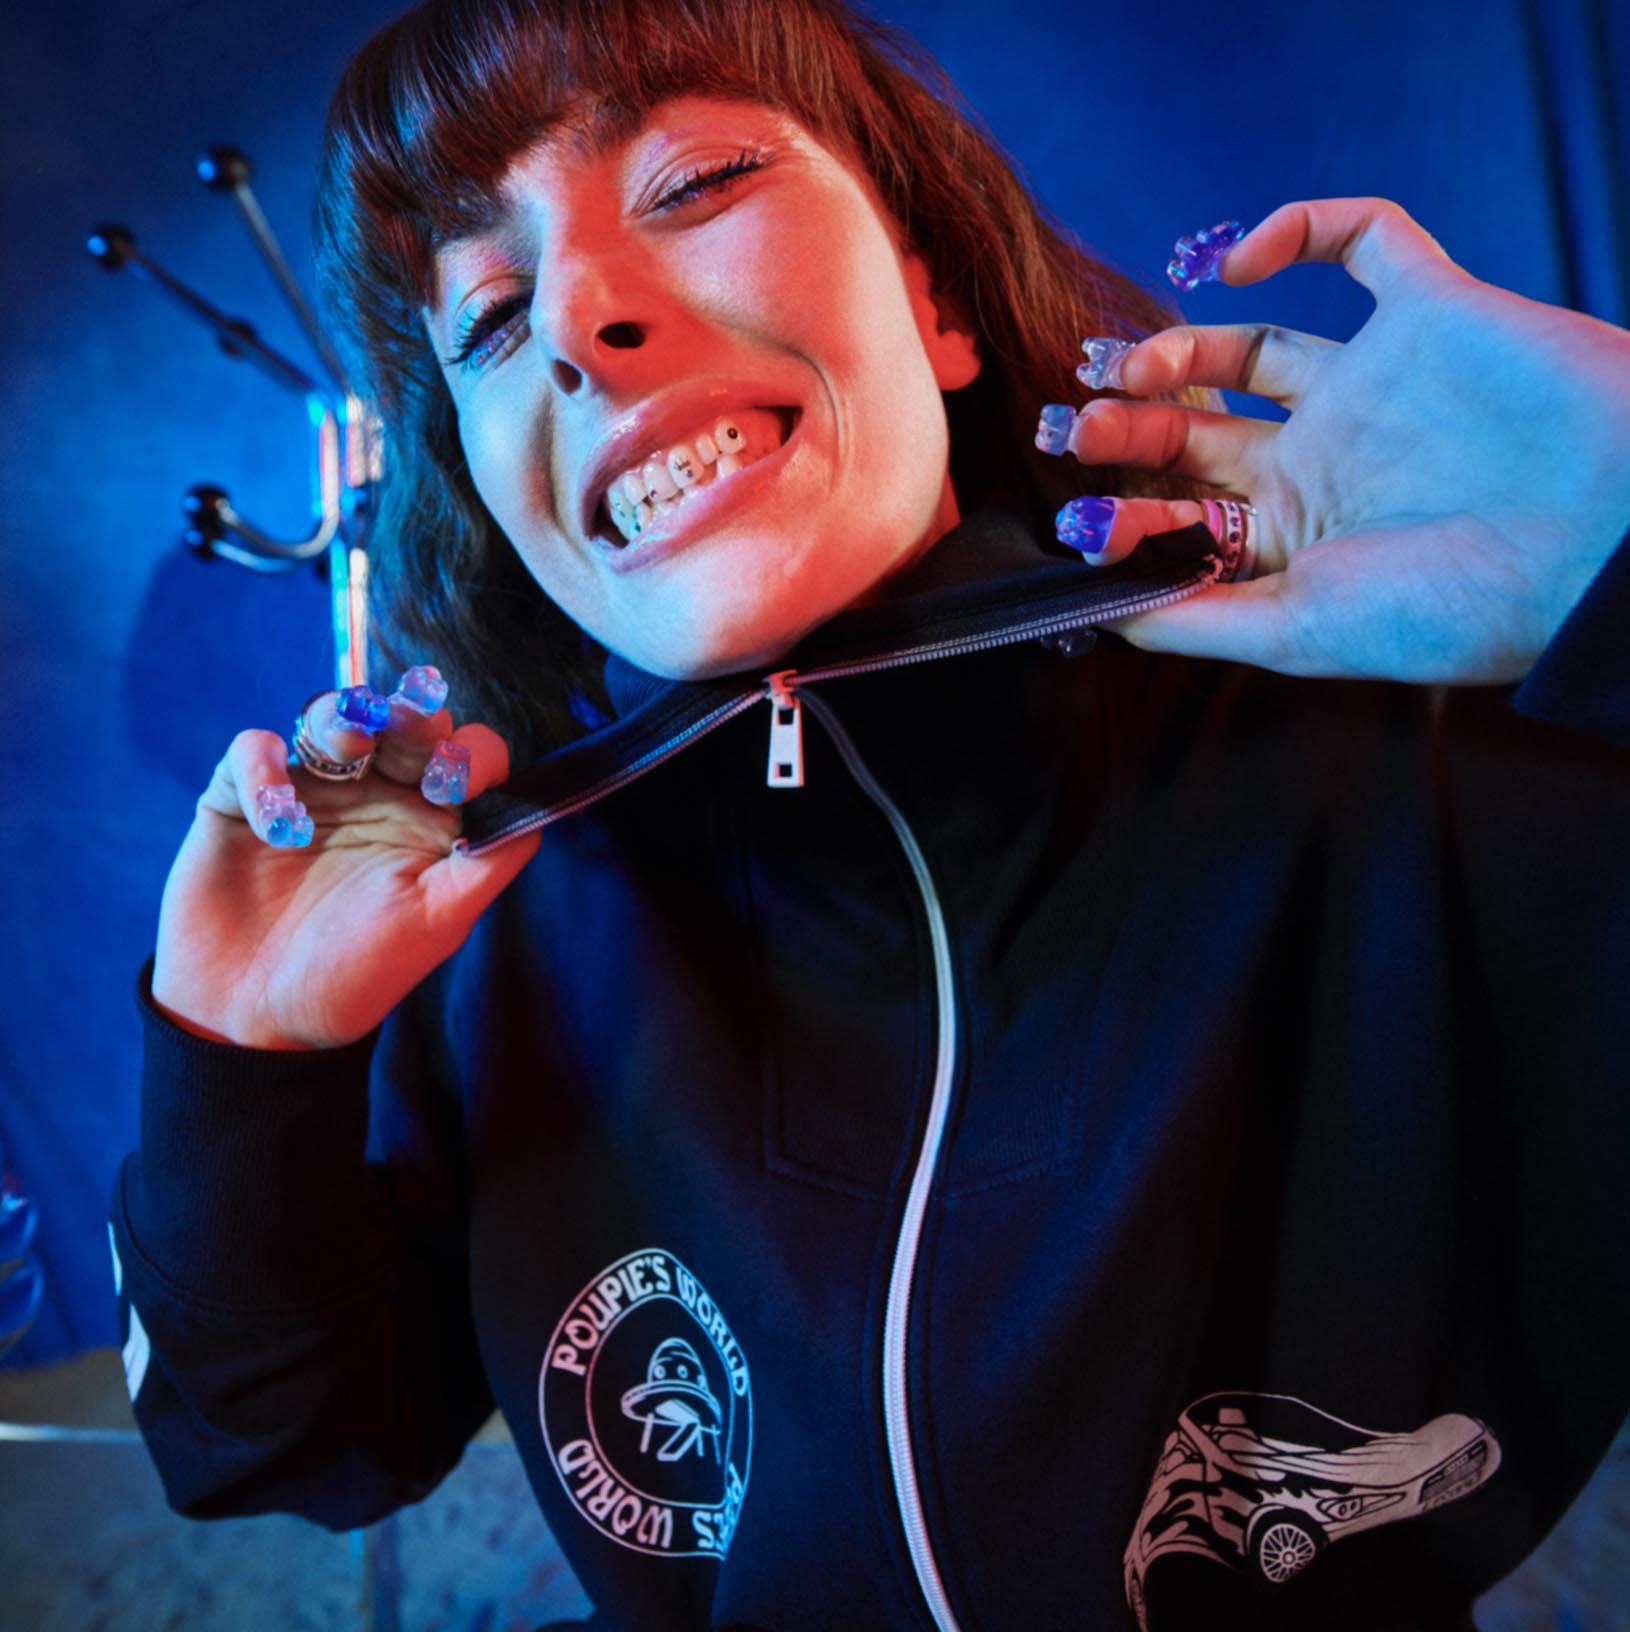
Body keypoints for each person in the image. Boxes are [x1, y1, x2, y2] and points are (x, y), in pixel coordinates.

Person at [111, 0, 1630, 1627]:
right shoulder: (496, 919)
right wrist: (241, 1063)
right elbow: (276, 1445)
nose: (576, 320)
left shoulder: (1413, 759)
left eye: (693, 183)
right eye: (486, 316)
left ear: (933, 301)